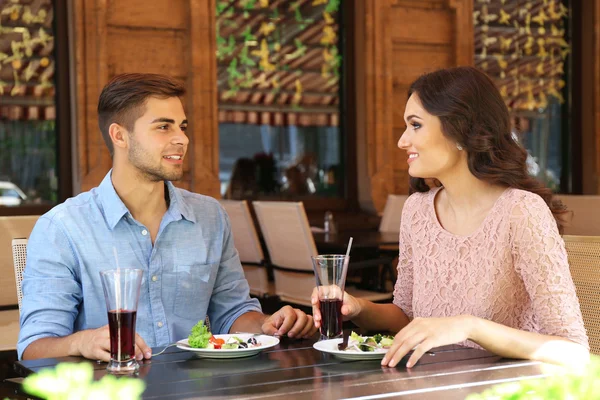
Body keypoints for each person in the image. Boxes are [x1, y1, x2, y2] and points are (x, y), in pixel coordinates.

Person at [18, 73, 317, 361]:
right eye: (164, 127)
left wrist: (268, 325)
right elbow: (34, 348)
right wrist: (83, 341)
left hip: (198, 390)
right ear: (119, 135)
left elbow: (232, 313)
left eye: (182, 127)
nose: (182, 139)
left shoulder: (210, 217)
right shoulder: (62, 229)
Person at [312, 66, 589, 369]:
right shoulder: (417, 211)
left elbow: (572, 350)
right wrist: (358, 307)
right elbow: (406, 315)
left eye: (415, 125)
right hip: (428, 382)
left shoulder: (521, 212)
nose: (402, 141)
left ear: (460, 130)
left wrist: (471, 326)